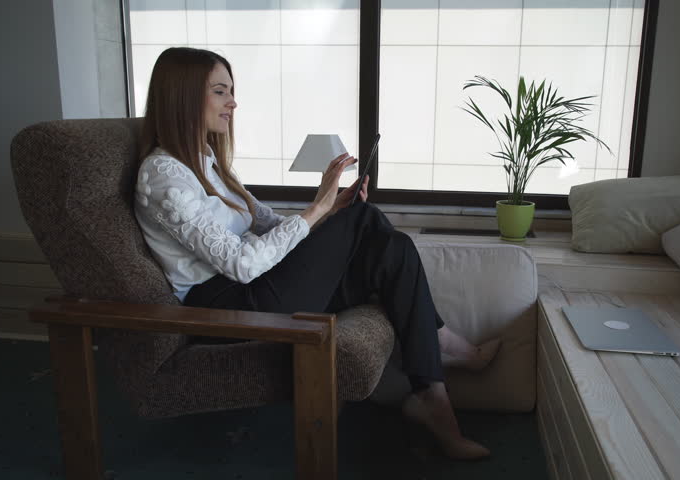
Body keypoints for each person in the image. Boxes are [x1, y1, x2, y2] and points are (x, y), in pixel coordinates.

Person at [133, 47, 501, 460]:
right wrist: (320, 209)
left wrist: (330, 210)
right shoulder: (163, 175)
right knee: (363, 220)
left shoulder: (207, 165)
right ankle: (442, 345)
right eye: (220, 91)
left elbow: (268, 224)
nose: (233, 103)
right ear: (182, 96)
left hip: (259, 289)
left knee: (390, 244)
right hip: (226, 308)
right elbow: (241, 264)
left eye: (231, 91)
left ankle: (432, 396)